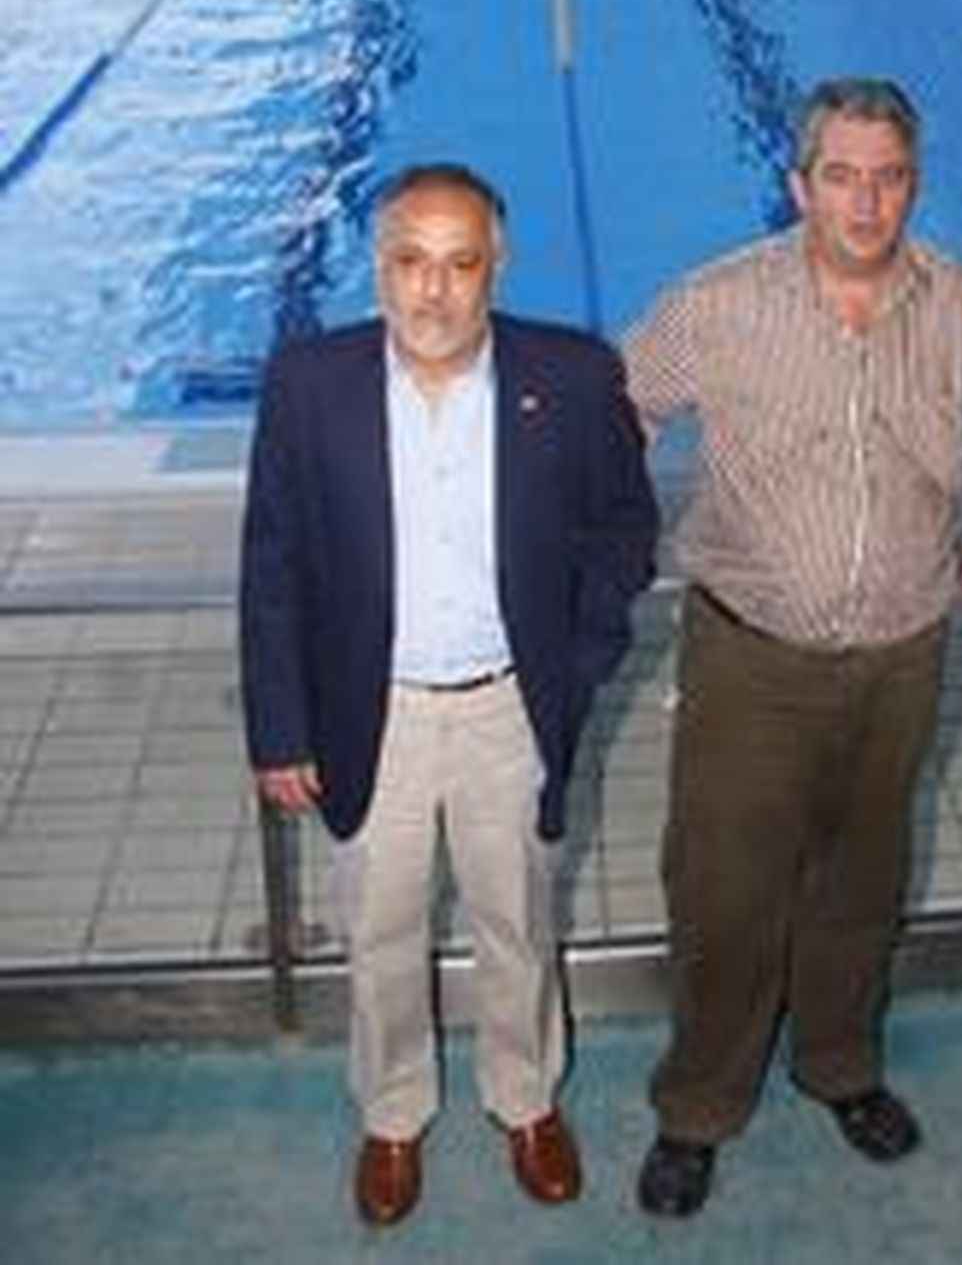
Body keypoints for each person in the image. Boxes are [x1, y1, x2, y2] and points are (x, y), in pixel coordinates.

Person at [622, 77, 962, 1217]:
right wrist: (592, 547)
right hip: (752, 655)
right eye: (841, 176)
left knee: (862, 879)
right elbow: (616, 413)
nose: (865, 201)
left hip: (903, 650)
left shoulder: (956, 302)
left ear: (913, 184)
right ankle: (699, 1105)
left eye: (888, 176)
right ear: (800, 185)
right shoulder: (717, 305)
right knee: (723, 888)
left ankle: (841, 1065)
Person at [239, 163, 658, 1229]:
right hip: (365, 710)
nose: (431, 292)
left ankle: (525, 1098)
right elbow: (273, 561)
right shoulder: (309, 382)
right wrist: (281, 726)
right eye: (410, 262)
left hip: (505, 708)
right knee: (378, 933)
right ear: (377, 265)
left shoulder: (567, 375)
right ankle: (392, 1114)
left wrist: (574, 662)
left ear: (496, 268)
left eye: (459, 264)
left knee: (516, 919)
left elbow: (624, 529)